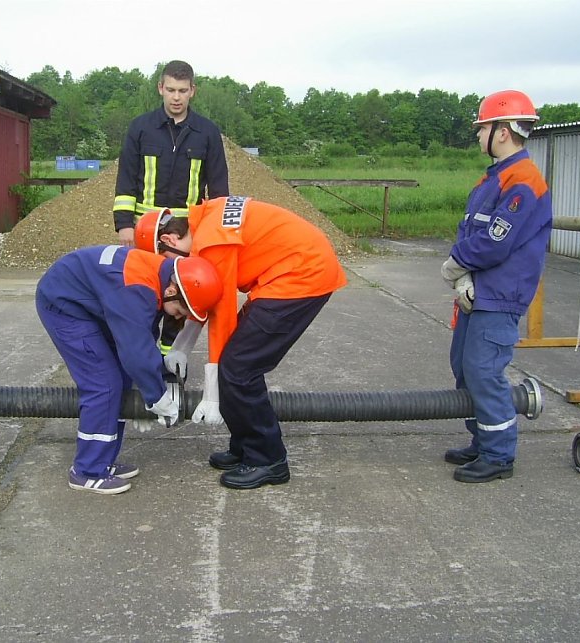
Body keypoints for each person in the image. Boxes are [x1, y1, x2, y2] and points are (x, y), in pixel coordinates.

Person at [135, 196, 348, 489]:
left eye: (166, 262)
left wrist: (212, 396)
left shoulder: (212, 242)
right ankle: (245, 447)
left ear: (168, 240)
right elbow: (205, 297)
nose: (171, 273)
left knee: (239, 367)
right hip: (290, 271)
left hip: (301, 276)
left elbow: (221, 314)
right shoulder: (206, 221)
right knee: (234, 364)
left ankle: (268, 460)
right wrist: (181, 347)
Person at [36, 245, 223, 495]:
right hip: (64, 306)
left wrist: (145, 387)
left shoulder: (160, 277)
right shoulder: (137, 288)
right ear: (171, 291)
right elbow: (136, 351)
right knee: (103, 384)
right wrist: (155, 396)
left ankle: (103, 461)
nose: (179, 317)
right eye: (181, 311)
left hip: (88, 300)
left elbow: (143, 335)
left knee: (122, 378)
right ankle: (87, 471)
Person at [440, 89, 552, 483]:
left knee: (483, 371)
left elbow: (496, 241)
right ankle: (482, 439)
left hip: (500, 295)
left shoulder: (523, 181)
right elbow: (471, 230)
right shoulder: (493, 179)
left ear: (502, 131)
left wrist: (457, 263)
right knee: (464, 367)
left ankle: (499, 455)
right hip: (479, 291)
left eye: (482, 127)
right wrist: (464, 274)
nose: (477, 135)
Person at [113, 59, 229, 355]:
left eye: (182, 90)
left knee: (179, 295)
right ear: (160, 88)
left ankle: (170, 361)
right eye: (171, 90)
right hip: (144, 235)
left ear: (193, 91)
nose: (176, 97)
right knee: (143, 292)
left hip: (185, 236)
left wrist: (211, 234)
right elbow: (126, 179)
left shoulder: (207, 132)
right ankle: (142, 356)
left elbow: (218, 190)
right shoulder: (140, 128)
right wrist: (124, 225)